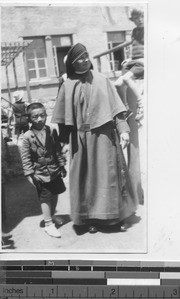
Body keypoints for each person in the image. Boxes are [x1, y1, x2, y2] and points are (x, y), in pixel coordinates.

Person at [51, 42, 138, 234]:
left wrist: (123, 130)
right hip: (80, 140)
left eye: (85, 56)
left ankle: (112, 219)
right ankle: (89, 219)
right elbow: (62, 120)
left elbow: (116, 109)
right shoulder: (67, 84)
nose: (83, 61)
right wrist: (64, 142)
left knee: (108, 177)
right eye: (78, 59)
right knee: (85, 180)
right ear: (72, 64)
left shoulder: (101, 79)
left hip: (105, 137)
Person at [21, 103, 67, 238]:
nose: (40, 119)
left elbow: (57, 150)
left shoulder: (51, 131)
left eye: (42, 115)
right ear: (29, 119)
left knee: (56, 193)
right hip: (40, 174)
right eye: (35, 117)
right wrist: (30, 176)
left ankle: (51, 216)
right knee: (45, 198)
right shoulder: (27, 137)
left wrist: (62, 166)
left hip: (54, 170)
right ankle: (48, 224)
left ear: (46, 115)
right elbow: (26, 159)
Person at [115, 8, 144, 123]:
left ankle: (141, 103)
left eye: (141, 17)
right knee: (117, 83)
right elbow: (136, 48)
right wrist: (129, 59)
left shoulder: (148, 30)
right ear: (133, 20)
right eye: (136, 18)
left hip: (143, 61)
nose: (140, 20)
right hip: (134, 61)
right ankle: (126, 108)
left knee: (127, 77)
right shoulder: (135, 31)